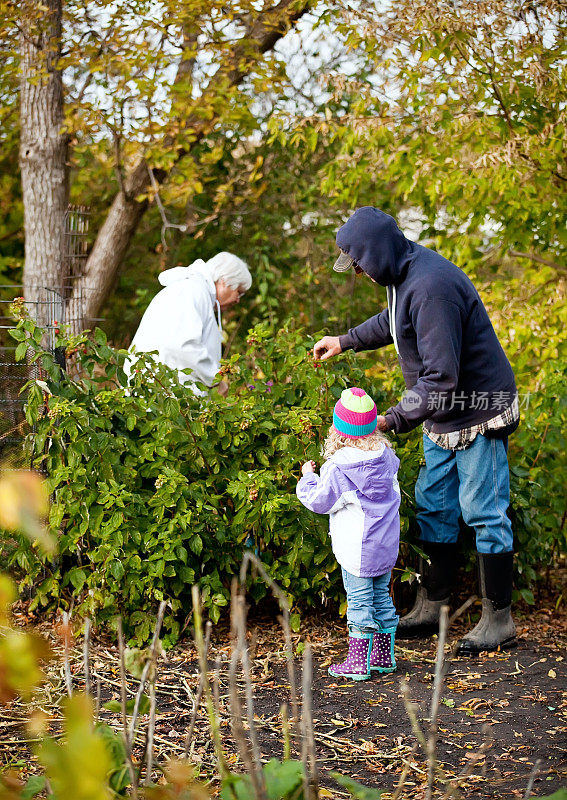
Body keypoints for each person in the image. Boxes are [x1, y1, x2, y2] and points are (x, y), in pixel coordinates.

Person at [313, 207, 519, 655]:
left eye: (361, 262)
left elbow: (442, 379)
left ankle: (498, 618)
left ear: (378, 251)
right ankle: (432, 606)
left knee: (482, 509)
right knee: (434, 505)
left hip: (476, 407)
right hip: (440, 410)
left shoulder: (431, 288)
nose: (361, 273)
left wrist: (390, 419)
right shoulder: (401, 278)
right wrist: (344, 340)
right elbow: (393, 322)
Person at [296, 387, 401, 681]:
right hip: (385, 543)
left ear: (339, 428)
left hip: (357, 548)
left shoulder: (339, 468)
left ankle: (358, 663)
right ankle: (383, 656)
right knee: (380, 596)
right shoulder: (387, 458)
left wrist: (307, 478)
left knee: (358, 601)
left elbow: (320, 501)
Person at [126, 252, 252, 393]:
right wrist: (216, 380)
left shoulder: (195, 292)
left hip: (161, 392)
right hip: (157, 395)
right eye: (239, 292)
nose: (237, 300)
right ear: (224, 280)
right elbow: (184, 344)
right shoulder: (192, 291)